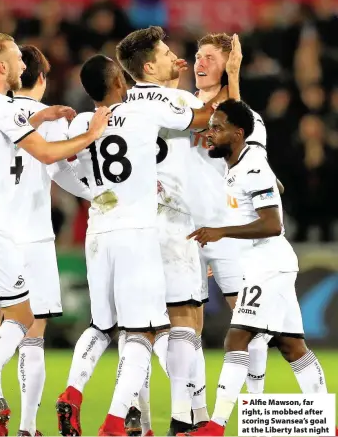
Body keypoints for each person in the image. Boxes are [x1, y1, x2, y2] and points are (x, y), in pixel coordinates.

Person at [0, 32, 110, 437]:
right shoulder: (1, 105)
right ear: (1, 66)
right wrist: (93, 131)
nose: (20, 65)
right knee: (23, 317)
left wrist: (38, 117)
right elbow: (50, 155)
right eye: (15, 59)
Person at [55, 54, 227, 437]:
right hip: (138, 233)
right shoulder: (143, 114)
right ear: (119, 80)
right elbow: (203, 118)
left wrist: (90, 193)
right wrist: (227, 77)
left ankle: (74, 390)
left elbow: (54, 166)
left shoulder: (84, 122)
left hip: (98, 233)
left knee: (101, 325)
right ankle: (118, 421)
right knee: (143, 333)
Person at [115, 27, 240, 436]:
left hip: (129, 224)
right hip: (176, 224)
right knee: (186, 319)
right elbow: (225, 124)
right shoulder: (180, 101)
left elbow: (161, 112)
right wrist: (232, 75)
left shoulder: (122, 105)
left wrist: (167, 83)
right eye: (168, 53)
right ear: (150, 65)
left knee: (140, 326)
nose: (178, 58)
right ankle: (184, 417)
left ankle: (136, 410)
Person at [182, 99, 328, 437]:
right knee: (292, 346)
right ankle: (326, 424)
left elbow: (272, 224)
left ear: (238, 133)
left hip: (268, 263)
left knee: (237, 338)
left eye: (217, 128)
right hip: (268, 263)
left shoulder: (252, 167)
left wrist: (221, 233)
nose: (210, 134)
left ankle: (215, 426)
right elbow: (277, 189)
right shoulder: (242, 165)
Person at [0, 44, 92, 437]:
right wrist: (99, 194)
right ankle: (27, 427)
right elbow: (63, 173)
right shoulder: (51, 122)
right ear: (42, 78)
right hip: (34, 237)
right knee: (32, 335)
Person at [189, 33, 274, 415]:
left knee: (250, 323)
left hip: (227, 234)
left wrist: (236, 81)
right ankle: (192, 413)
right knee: (178, 329)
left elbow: (252, 150)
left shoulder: (246, 119)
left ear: (228, 67)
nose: (199, 63)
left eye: (210, 57)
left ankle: (254, 411)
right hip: (183, 232)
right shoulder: (180, 107)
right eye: (196, 56)